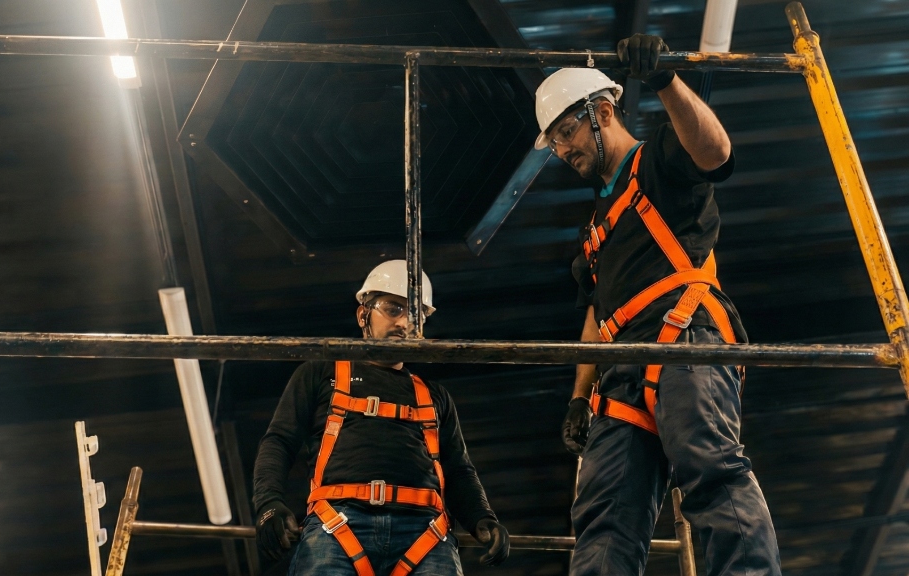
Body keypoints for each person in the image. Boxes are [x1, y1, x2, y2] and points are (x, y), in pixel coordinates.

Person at [536, 35, 782, 575]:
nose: (561, 150)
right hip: (619, 373)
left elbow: (717, 153)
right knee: (604, 520)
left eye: (566, 133)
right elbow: (597, 314)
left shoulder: (661, 161)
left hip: (683, 340)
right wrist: (580, 396)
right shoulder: (595, 231)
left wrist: (665, 77)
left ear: (602, 112)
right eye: (552, 142)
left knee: (710, 472)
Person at [252, 260, 510, 575]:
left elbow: (458, 471)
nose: (405, 323)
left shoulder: (435, 397)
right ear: (363, 315)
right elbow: (279, 441)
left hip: (425, 532)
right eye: (393, 309)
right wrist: (268, 505)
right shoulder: (321, 373)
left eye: (416, 314)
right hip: (338, 524)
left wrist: (482, 518)